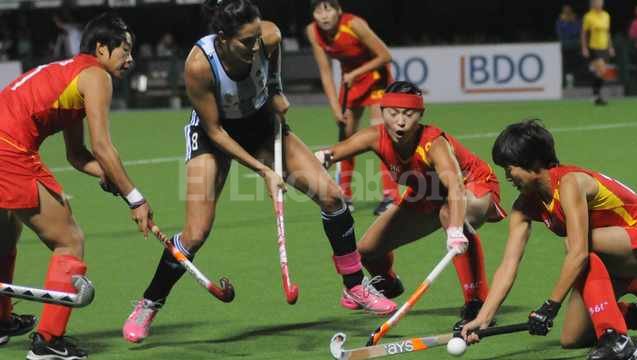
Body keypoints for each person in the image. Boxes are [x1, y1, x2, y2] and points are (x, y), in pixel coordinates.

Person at [122, 0, 397, 344]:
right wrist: (263, 170)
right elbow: (217, 131)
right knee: (196, 232)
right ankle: (149, 303)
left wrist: (278, 90)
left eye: (256, 38)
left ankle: (354, 285)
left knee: (332, 196)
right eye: (246, 42)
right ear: (222, 38)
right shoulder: (199, 66)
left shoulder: (269, 37)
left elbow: (272, 52)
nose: (255, 47)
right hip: (214, 136)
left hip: (263, 127)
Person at [0, 12, 152, 360]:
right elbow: (103, 146)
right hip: (8, 150)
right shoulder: (96, 77)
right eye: (124, 50)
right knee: (70, 241)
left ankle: (1, 322)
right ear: (101, 49)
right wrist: (135, 197)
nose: (131, 59)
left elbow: (77, 155)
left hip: (4, 145)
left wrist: (109, 175)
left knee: (5, 233)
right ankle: (49, 342)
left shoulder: (73, 72)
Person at [315, 81, 507, 330]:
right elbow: (334, 152)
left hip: (473, 186)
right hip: (425, 195)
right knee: (366, 250)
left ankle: (477, 304)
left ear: (420, 115)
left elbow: (455, 185)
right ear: (382, 112)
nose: (401, 122)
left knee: (450, 214)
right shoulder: (375, 136)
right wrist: (319, 159)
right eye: (393, 113)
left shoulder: (433, 143)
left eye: (409, 114)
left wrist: (456, 229)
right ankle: (388, 282)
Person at [461, 120, 637, 360]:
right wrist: (484, 318)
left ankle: (614, 338)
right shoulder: (524, 206)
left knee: (574, 244)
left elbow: (579, 252)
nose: (507, 176)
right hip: (614, 259)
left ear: (533, 163)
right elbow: (508, 265)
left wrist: (550, 306)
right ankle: (626, 315)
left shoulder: (571, 183)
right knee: (572, 338)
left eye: (509, 167)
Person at [306, 0, 399, 215]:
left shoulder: (354, 24)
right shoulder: (313, 32)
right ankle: (344, 196)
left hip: (376, 78)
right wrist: (335, 108)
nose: (324, 16)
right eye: (318, 11)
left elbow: (385, 55)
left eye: (328, 9)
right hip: (351, 83)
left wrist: (356, 73)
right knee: (346, 139)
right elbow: (326, 72)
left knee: (381, 136)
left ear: (339, 10)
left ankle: (390, 196)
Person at [581, 0, 615, 106]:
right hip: (594, 47)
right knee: (601, 69)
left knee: (601, 72)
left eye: (600, 2)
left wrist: (610, 47)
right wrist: (584, 47)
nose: (599, 4)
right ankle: (597, 96)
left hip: (604, 47)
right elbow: (584, 33)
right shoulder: (588, 16)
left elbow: (607, 32)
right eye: (596, 2)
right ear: (592, 4)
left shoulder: (606, 15)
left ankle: (595, 96)